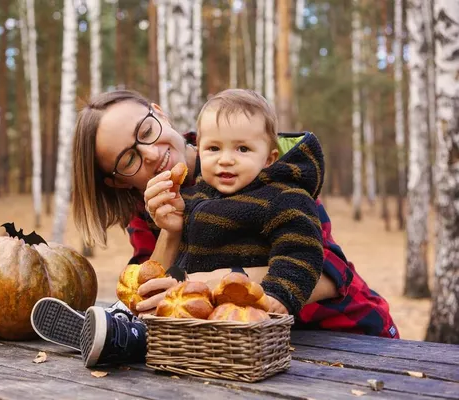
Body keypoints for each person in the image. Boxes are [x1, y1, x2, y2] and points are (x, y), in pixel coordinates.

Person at [31, 90, 398, 368]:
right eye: (128, 159)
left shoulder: (254, 165)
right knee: (135, 317)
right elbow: (149, 295)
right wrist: (171, 233)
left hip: (343, 334)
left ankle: (119, 334)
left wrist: (211, 282)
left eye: (146, 130)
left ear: (159, 113)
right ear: (116, 182)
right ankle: (116, 332)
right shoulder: (148, 208)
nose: (151, 153)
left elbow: (328, 274)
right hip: (247, 350)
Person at [147, 89, 325, 316]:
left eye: (243, 149)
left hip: (247, 318)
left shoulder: (283, 197)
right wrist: (177, 223)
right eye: (214, 148)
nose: (226, 160)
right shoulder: (192, 197)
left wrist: (277, 296)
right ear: (199, 149)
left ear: (268, 158)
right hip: (199, 318)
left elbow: (301, 252)